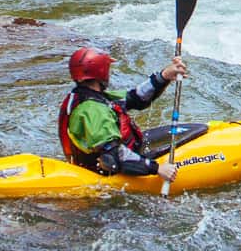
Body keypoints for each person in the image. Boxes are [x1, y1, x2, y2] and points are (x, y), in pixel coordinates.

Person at [57, 47, 188, 182]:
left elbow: (136, 98)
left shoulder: (84, 96)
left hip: (104, 160)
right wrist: (157, 169)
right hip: (105, 174)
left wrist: (164, 76)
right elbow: (114, 156)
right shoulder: (94, 111)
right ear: (101, 71)